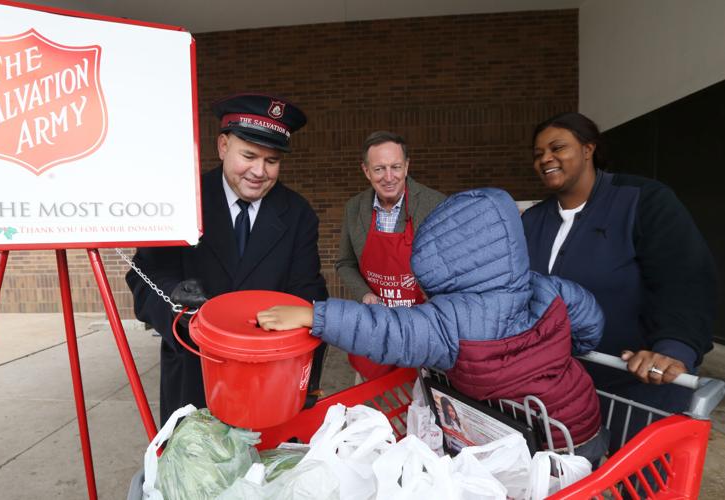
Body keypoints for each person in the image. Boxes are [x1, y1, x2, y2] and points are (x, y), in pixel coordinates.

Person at [258, 188, 609, 462]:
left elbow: (385, 330)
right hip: (583, 425)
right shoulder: (549, 289)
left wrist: (314, 316)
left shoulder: (448, 321)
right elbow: (590, 322)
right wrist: (563, 350)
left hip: (520, 446)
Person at [126, 93, 328, 425]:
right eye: (248, 155)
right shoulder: (182, 201)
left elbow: (308, 294)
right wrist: (174, 300)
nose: (259, 171)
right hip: (194, 378)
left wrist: (304, 384)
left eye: (272, 160)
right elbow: (145, 276)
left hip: (270, 382)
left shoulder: (298, 215)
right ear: (223, 146)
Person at [521, 112, 717, 427]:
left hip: (637, 393)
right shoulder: (532, 221)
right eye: (538, 154)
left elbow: (685, 281)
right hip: (561, 393)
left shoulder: (644, 200)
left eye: (558, 148)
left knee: (635, 477)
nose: (546, 159)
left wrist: (673, 348)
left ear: (588, 149)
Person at [336, 131, 445, 380]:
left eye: (395, 167)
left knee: (420, 405)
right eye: (379, 169)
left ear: (406, 166)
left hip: (422, 328)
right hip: (375, 328)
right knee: (374, 405)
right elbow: (345, 263)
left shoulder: (436, 205)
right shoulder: (354, 209)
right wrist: (364, 294)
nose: (388, 177)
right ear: (365, 170)